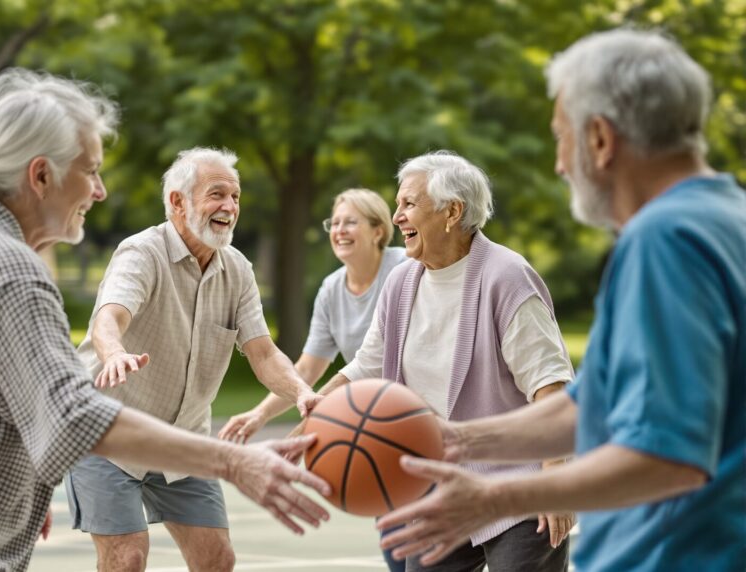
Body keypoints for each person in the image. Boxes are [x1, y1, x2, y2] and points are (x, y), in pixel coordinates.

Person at [0, 70, 331, 571]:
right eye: (91, 170)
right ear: (41, 175)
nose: (100, 190)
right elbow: (75, 417)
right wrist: (235, 462)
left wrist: (27, 482)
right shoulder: (10, 271)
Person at [377, 29, 746, 572]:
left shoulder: (665, 240)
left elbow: (668, 457)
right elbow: (590, 406)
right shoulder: (726, 216)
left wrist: (496, 497)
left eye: (560, 137)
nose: (558, 164)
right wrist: (455, 440)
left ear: (599, 138)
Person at [306, 151, 575, 571]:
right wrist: (314, 414)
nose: (397, 217)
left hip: (517, 483)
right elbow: (367, 365)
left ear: (452, 212)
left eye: (409, 204)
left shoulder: (507, 277)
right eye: (398, 204)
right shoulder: (400, 281)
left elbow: (550, 385)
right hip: (440, 484)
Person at [67, 147, 323, 572]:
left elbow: (262, 352)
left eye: (235, 197)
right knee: (127, 558)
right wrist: (114, 354)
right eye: (217, 194)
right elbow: (109, 318)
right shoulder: (142, 252)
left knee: (217, 559)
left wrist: (301, 392)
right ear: (177, 202)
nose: (230, 207)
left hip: (183, 440)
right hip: (108, 434)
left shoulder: (237, 270)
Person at [218, 188, 406, 443]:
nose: (339, 231)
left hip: (415, 406)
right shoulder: (331, 289)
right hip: (372, 412)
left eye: (350, 222)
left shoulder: (404, 267)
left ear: (378, 232)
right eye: (334, 223)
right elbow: (307, 368)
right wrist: (260, 414)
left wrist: (295, 437)